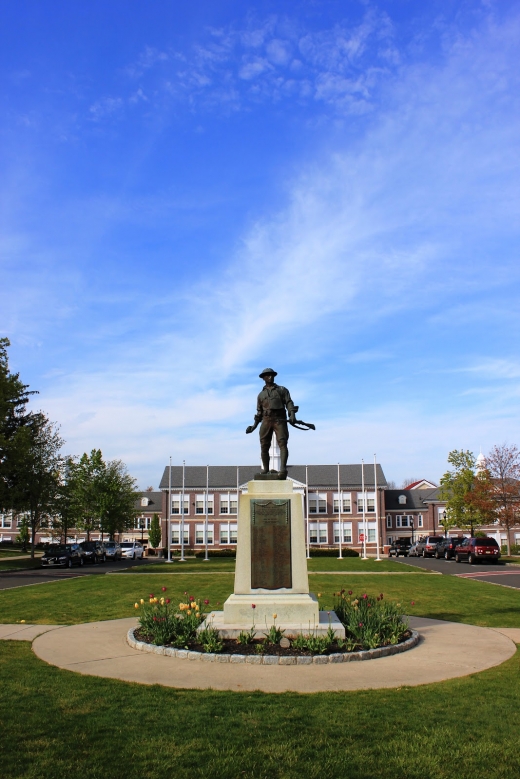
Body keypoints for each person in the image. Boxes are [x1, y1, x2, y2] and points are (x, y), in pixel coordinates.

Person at [245, 368, 296, 477]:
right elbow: (259, 412)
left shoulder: (282, 390)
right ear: (263, 378)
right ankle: (265, 470)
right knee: (264, 445)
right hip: (266, 420)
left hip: (279, 420)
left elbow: (289, 402)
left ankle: (283, 470)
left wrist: (292, 414)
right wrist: (253, 427)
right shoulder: (261, 395)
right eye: (268, 375)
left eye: (272, 375)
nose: (271, 377)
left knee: (282, 443)